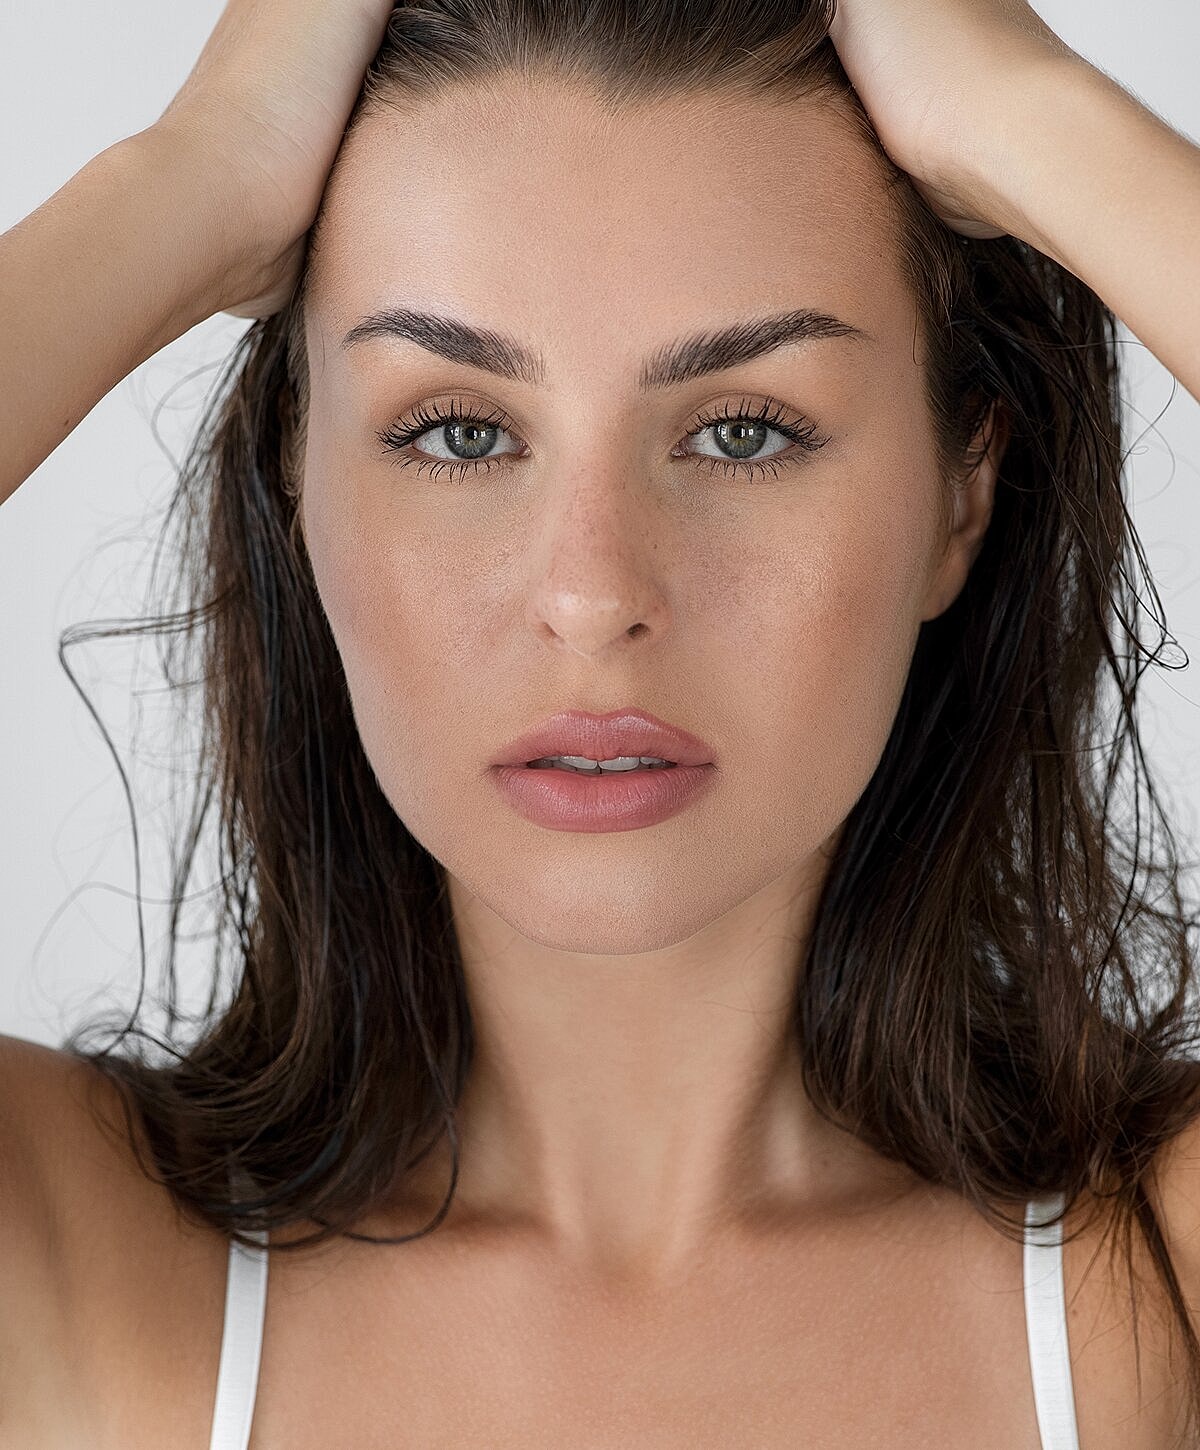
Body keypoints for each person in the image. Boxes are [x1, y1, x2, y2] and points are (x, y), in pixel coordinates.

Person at [2, 0, 1200, 1445]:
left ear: (963, 494)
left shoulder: (1157, 1291)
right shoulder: (76, 1267)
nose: (592, 595)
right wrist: (190, 175)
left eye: (744, 431)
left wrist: (1029, 117)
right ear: (298, 484)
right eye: (459, 432)